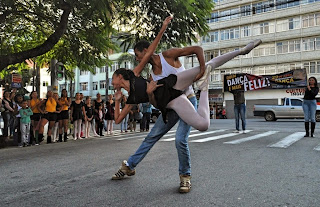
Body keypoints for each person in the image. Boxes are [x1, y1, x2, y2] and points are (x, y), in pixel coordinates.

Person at [110, 15, 262, 192]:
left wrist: (203, 70)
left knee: (180, 139)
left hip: (187, 96)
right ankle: (130, 165)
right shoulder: (149, 77)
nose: (137, 59)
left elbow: (197, 49)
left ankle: (185, 177)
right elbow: (151, 105)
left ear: (145, 51)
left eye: (138, 55)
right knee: (152, 136)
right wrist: (142, 95)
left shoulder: (167, 56)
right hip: (170, 105)